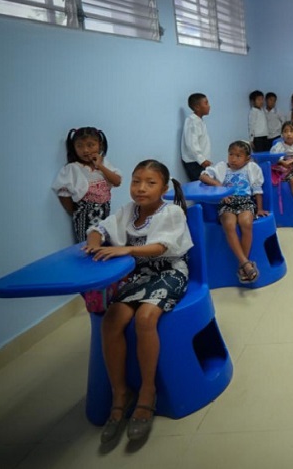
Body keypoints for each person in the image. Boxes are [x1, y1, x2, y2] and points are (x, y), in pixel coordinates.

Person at [84, 160, 193, 443]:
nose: (141, 188)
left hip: (169, 272)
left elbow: (161, 247)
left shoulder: (173, 212)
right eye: (136, 181)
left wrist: (127, 248)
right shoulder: (126, 211)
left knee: (145, 318)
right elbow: (100, 228)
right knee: (112, 320)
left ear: (165, 188)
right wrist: (95, 242)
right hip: (138, 275)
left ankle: (147, 391)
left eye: (150, 182)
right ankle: (120, 392)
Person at [200, 141, 267, 282]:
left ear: (247, 158)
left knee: (246, 222)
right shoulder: (221, 167)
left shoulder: (252, 167)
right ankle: (245, 263)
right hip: (227, 202)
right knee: (229, 224)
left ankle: (242, 265)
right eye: (231, 154)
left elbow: (257, 189)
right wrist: (218, 185)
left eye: (238, 156)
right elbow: (203, 176)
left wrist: (259, 208)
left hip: (245, 201)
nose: (233, 159)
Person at [53, 127, 122, 244]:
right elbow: (63, 192)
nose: (85, 150)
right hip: (84, 214)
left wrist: (100, 166)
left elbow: (117, 181)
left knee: (104, 239)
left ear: (100, 145)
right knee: (86, 243)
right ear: (73, 148)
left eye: (90, 145)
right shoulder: (72, 168)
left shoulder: (104, 164)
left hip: (104, 210)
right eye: (79, 146)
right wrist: (73, 211)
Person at [180, 93, 213, 181]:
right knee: (199, 185)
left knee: (204, 185)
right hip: (194, 162)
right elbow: (191, 144)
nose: (209, 106)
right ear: (197, 107)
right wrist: (202, 160)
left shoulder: (199, 121)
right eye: (206, 103)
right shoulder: (192, 121)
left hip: (199, 161)